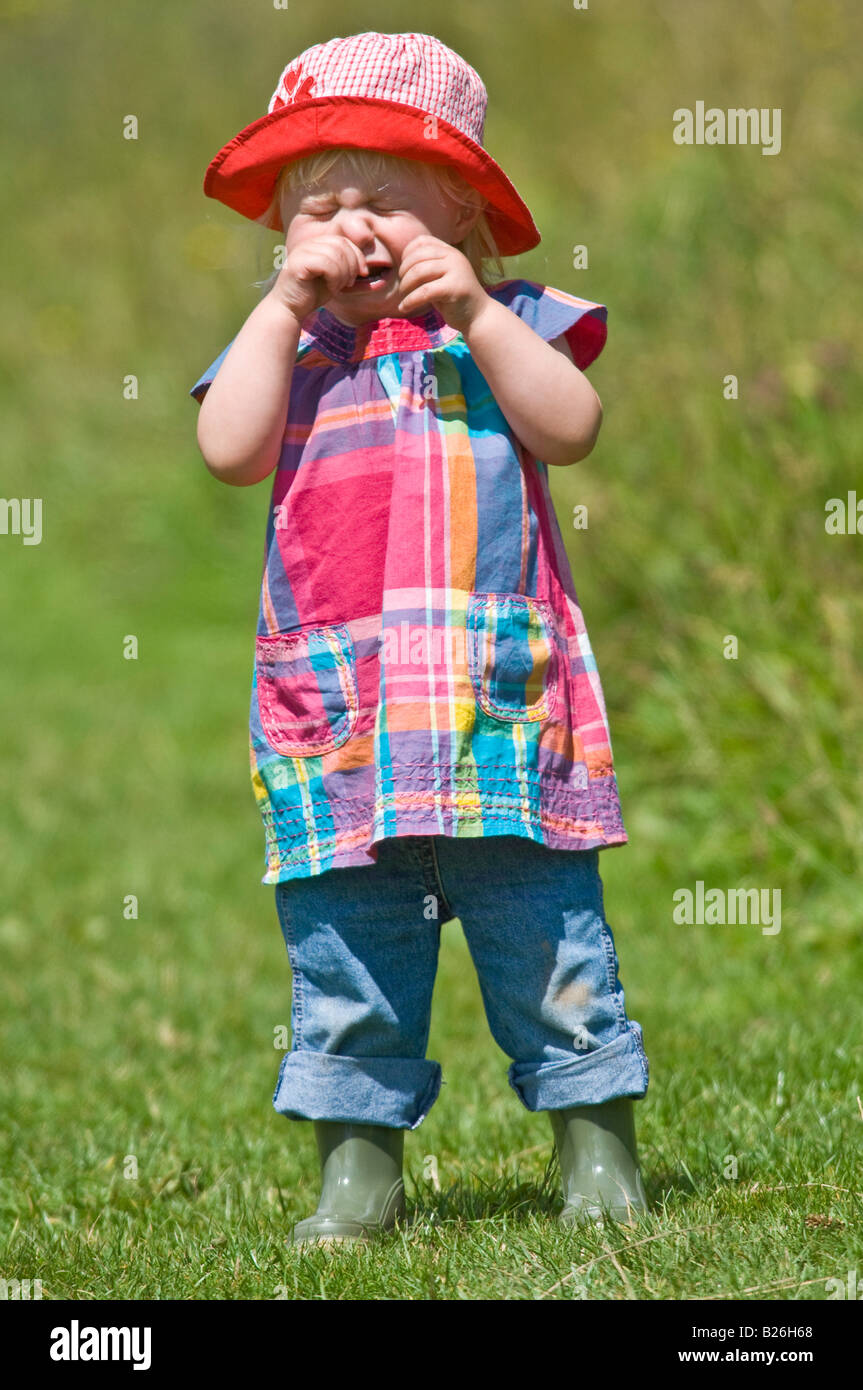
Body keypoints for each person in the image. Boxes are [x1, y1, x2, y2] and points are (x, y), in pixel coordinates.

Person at [190, 30, 650, 1247]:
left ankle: (595, 1152)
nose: (352, 228)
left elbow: (572, 425)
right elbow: (228, 450)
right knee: (347, 964)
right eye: (318, 209)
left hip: (493, 711)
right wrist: (283, 306)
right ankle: (358, 1174)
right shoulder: (288, 351)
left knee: (549, 947)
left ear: (461, 208)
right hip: (336, 721)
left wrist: (478, 314)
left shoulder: (501, 322)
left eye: (383, 196)